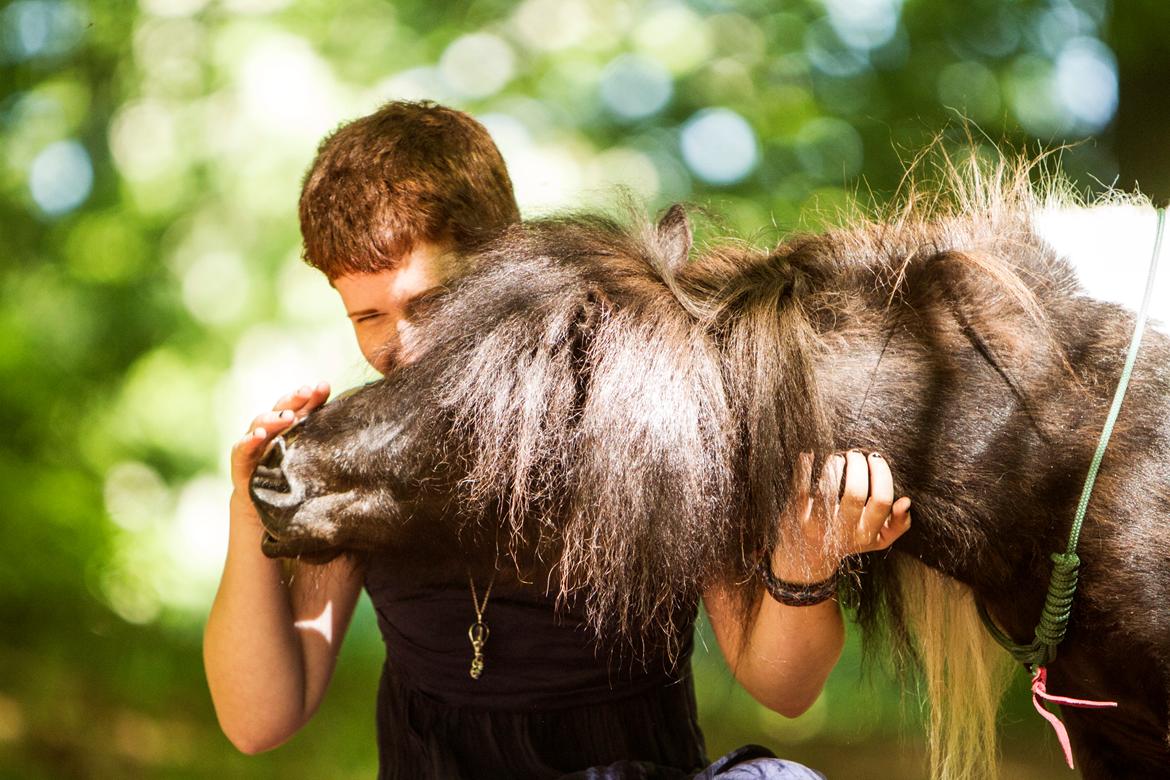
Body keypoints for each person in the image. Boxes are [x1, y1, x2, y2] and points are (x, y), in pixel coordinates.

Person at [202, 100, 912, 778]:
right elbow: (258, 719)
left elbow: (781, 688)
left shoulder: (646, 401)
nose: (403, 344)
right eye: (368, 317)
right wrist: (247, 502)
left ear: (508, 266)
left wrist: (804, 563)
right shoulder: (360, 451)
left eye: (429, 301)